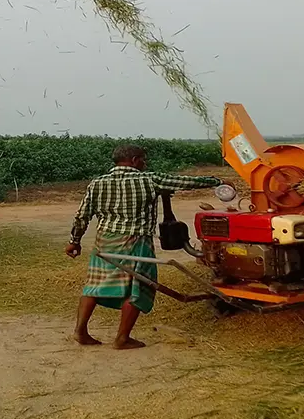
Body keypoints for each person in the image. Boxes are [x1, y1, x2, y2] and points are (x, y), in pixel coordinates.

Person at [67, 145, 222, 349]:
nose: (145, 163)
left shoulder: (97, 183)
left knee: (95, 285)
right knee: (138, 287)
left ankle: (80, 332)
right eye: (143, 159)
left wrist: (74, 241)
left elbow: (82, 215)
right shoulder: (149, 179)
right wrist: (216, 181)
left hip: (105, 241)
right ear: (133, 160)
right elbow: (186, 181)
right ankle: (122, 338)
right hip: (135, 241)